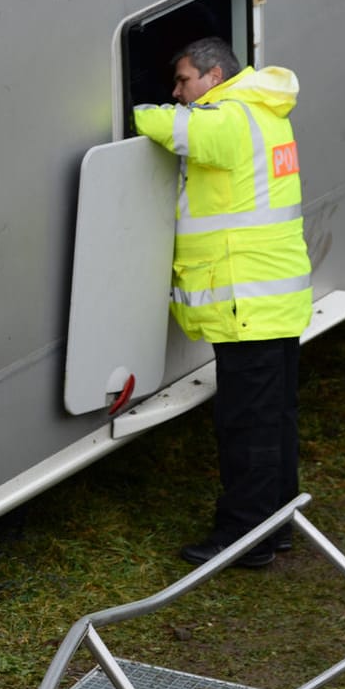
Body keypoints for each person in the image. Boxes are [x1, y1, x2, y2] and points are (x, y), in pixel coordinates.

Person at [133, 37, 312, 569]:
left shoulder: (229, 118)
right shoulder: (266, 113)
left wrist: (135, 105)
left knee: (246, 426)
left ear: (213, 75)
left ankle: (244, 538)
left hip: (246, 303)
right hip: (275, 299)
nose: (177, 92)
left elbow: (161, 124)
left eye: (184, 80)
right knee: (275, 420)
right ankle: (277, 527)